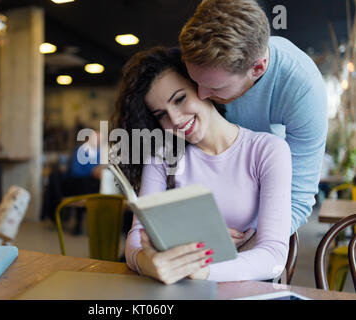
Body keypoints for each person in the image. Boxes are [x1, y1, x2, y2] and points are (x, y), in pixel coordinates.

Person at [113, 46, 292, 284]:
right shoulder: (163, 157)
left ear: (203, 87)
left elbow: (274, 257)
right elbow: (136, 238)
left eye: (179, 99)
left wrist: (203, 269)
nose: (175, 119)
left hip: (243, 289)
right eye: (161, 114)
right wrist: (148, 263)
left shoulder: (266, 150)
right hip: (179, 288)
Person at [178, 0, 328, 237]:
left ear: (257, 68)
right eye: (195, 81)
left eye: (215, 88)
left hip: (260, 213)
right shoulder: (202, 63)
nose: (200, 96)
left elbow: (297, 198)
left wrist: (253, 238)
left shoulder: (303, 90)